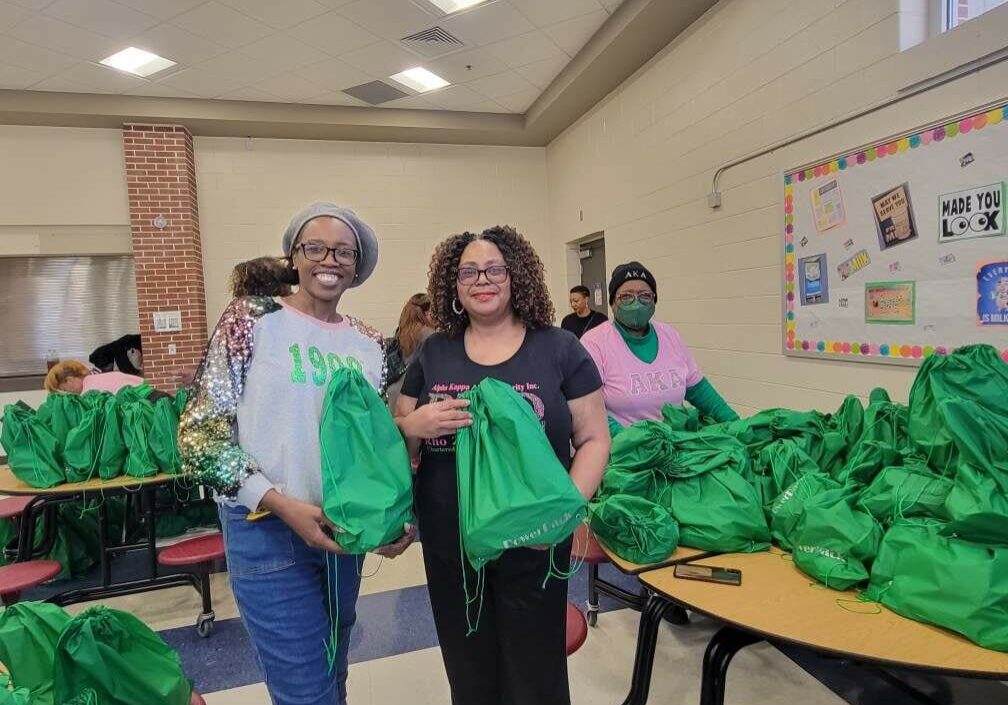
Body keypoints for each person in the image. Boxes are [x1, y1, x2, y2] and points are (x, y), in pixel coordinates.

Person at [178, 202, 415, 705]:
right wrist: (281, 504)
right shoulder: (251, 321)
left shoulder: (368, 344)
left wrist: (385, 522)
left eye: (343, 251)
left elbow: (365, 454)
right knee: (306, 692)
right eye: (315, 247)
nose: (329, 259)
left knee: (332, 673)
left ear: (357, 265)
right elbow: (198, 435)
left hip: (338, 529)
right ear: (294, 256)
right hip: (264, 527)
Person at [394, 226, 610, 705]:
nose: (482, 279)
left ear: (516, 277)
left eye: (495, 268)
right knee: (469, 678)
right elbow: (399, 427)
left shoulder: (559, 349)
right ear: (453, 285)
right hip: (453, 550)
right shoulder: (434, 352)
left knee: (536, 678)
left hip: (536, 547)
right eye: (468, 271)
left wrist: (564, 516)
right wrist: (415, 424)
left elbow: (594, 439)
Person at [580, 261, 737, 427]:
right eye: (626, 297)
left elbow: (698, 390)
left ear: (654, 301)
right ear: (612, 302)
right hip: (625, 448)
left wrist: (737, 424)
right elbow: (589, 410)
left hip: (675, 444)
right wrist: (636, 442)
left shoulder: (670, 335)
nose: (636, 303)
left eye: (645, 296)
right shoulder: (594, 343)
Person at [385, 292, 435, 410]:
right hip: (412, 398)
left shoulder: (400, 333)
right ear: (426, 313)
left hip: (391, 394)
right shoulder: (430, 335)